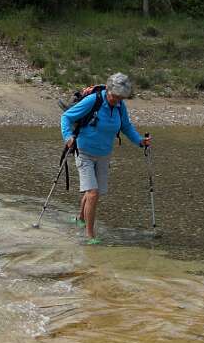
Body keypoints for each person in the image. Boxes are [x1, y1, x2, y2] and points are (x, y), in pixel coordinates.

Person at [61, 73, 150, 244]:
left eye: (121, 97)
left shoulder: (119, 106)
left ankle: (80, 219)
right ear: (108, 90)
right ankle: (90, 236)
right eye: (115, 96)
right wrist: (67, 136)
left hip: (104, 154)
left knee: (93, 192)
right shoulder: (93, 101)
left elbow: (126, 126)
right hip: (84, 151)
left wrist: (140, 141)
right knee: (93, 193)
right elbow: (66, 117)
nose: (117, 100)